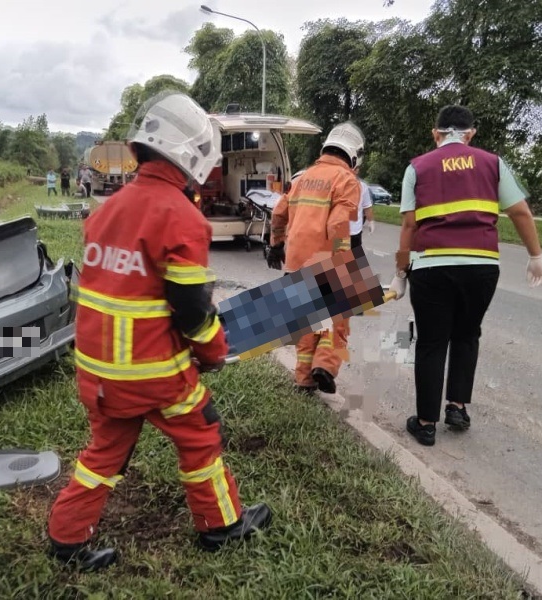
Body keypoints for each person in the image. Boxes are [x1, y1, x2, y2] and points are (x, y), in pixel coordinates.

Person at [46, 91, 272, 571]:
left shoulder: (105, 210)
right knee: (201, 434)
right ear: (193, 155)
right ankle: (221, 526)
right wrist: (213, 350)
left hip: (97, 373)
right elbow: (192, 310)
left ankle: (66, 539)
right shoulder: (181, 216)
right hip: (152, 374)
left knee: (104, 453)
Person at [390, 104, 542, 447]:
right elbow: (520, 211)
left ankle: (426, 423)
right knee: (466, 334)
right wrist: (536, 255)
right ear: (471, 133)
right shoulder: (493, 163)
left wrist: (400, 273)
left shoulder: (417, 167)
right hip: (482, 266)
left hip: (432, 267)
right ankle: (457, 408)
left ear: (435, 134)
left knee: (432, 342)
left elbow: (408, 224)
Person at [269, 122, 364, 394]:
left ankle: (304, 380)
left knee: (307, 324)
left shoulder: (302, 178)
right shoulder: (346, 181)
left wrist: (276, 245)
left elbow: (278, 214)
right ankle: (325, 365)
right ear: (353, 155)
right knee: (337, 321)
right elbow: (338, 225)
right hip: (327, 263)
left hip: (296, 264)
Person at [349, 167, 374, 249]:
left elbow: (367, 207)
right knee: (341, 259)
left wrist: (371, 222)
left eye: (354, 169)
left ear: (357, 170)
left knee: (357, 259)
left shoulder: (362, 187)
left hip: (356, 232)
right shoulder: (337, 185)